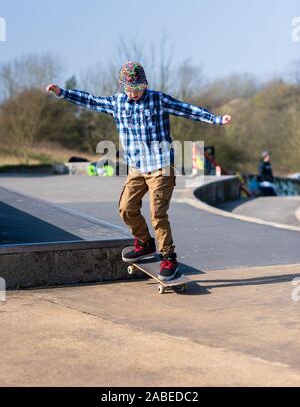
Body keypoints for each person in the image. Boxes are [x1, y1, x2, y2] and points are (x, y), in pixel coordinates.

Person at [45, 61, 232, 281]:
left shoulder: (158, 99)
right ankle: (144, 242)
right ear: (123, 87)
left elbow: (187, 109)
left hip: (161, 167)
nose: (134, 93)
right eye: (129, 89)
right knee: (126, 208)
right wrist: (61, 92)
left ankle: (168, 258)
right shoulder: (117, 103)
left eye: (138, 88)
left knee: (157, 215)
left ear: (145, 84)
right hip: (136, 169)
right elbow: (90, 101)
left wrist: (216, 119)